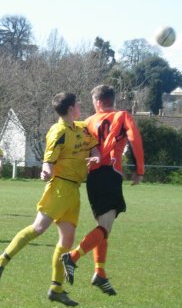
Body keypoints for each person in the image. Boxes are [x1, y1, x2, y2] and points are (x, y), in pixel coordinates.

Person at [0, 92, 99, 306]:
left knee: (67, 239)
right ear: (70, 109)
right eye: (77, 105)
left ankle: (56, 289)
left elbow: (93, 146)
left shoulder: (81, 128)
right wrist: (46, 171)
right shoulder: (58, 131)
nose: (80, 107)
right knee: (38, 228)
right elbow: (48, 160)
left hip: (74, 191)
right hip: (59, 187)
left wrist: (97, 156)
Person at [61, 84, 145, 296]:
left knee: (103, 226)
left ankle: (100, 272)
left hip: (93, 177)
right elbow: (134, 139)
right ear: (110, 100)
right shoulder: (122, 116)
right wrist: (139, 168)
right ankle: (73, 257)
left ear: (97, 102)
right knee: (105, 228)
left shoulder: (87, 122)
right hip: (110, 173)